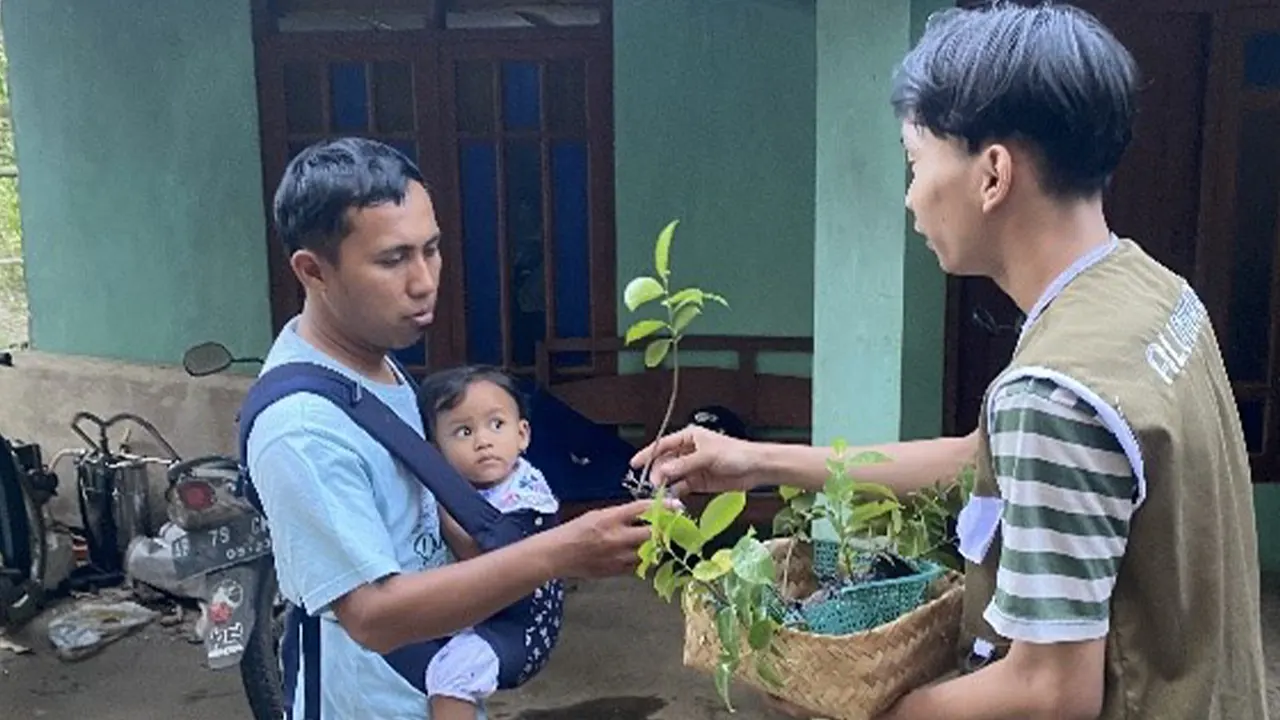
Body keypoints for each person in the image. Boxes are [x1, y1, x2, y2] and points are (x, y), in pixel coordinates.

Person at [631, 4, 1270, 719]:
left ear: (992, 174)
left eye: (915, 160)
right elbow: (988, 459)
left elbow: (1049, 692)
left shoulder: (1053, 391)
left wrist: (865, 711)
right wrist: (760, 461)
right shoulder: (1152, 294)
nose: (910, 199)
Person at [246, 137, 656, 718]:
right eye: (393, 260)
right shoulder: (302, 429)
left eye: (431, 250)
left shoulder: (377, 365)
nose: (424, 280)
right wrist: (558, 552)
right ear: (313, 271)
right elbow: (373, 614)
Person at [416, 365, 563, 720]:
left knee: (450, 676)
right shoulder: (473, 486)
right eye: (464, 431)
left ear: (522, 434)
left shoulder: (526, 495)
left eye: (496, 425)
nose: (483, 441)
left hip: (521, 630)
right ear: (438, 449)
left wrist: (439, 501)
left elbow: (482, 555)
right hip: (479, 613)